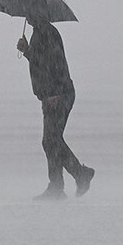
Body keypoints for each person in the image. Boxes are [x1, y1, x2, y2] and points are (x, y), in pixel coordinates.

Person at [17, 16, 94, 200]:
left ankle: (75, 177)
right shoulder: (38, 32)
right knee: (50, 141)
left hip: (59, 95)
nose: (27, 16)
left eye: (30, 12)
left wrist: (56, 93)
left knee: (52, 140)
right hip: (50, 95)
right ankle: (60, 185)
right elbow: (40, 62)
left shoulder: (48, 32)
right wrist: (27, 51)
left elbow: (55, 63)